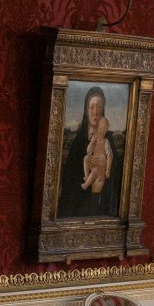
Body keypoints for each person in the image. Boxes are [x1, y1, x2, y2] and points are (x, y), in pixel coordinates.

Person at [57, 88, 125, 219]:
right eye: (91, 107)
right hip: (80, 206)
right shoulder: (78, 142)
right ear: (86, 110)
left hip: (102, 202)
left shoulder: (108, 139)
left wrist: (105, 166)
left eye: (99, 107)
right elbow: (69, 180)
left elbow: (116, 176)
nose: (95, 112)